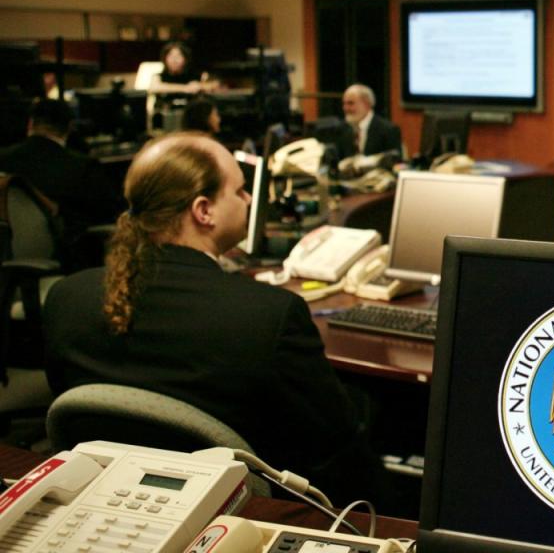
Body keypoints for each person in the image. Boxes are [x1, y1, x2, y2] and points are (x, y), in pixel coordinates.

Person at [43, 132, 385, 503]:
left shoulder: (66, 298)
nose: (249, 199)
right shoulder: (268, 315)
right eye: (239, 191)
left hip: (108, 500)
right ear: (203, 211)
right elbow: (336, 445)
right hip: (240, 511)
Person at [0, 99, 124, 268]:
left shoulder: (3, 159)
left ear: (30, 123)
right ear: (70, 127)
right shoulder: (83, 167)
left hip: (6, 256)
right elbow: (112, 214)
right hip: (66, 261)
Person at [338, 84, 401, 159]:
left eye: (350, 103)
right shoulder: (343, 130)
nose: (345, 108)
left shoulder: (388, 130)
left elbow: (395, 161)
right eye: (344, 104)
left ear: (367, 104)